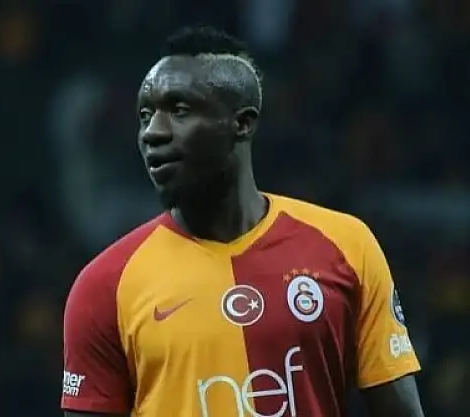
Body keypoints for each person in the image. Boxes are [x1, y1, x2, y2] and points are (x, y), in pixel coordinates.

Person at [60, 25, 425, 417]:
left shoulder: (347, 246)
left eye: (179, 111)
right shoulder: (104, 286)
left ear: (242, 122)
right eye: (145, 115)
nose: (153, 132)